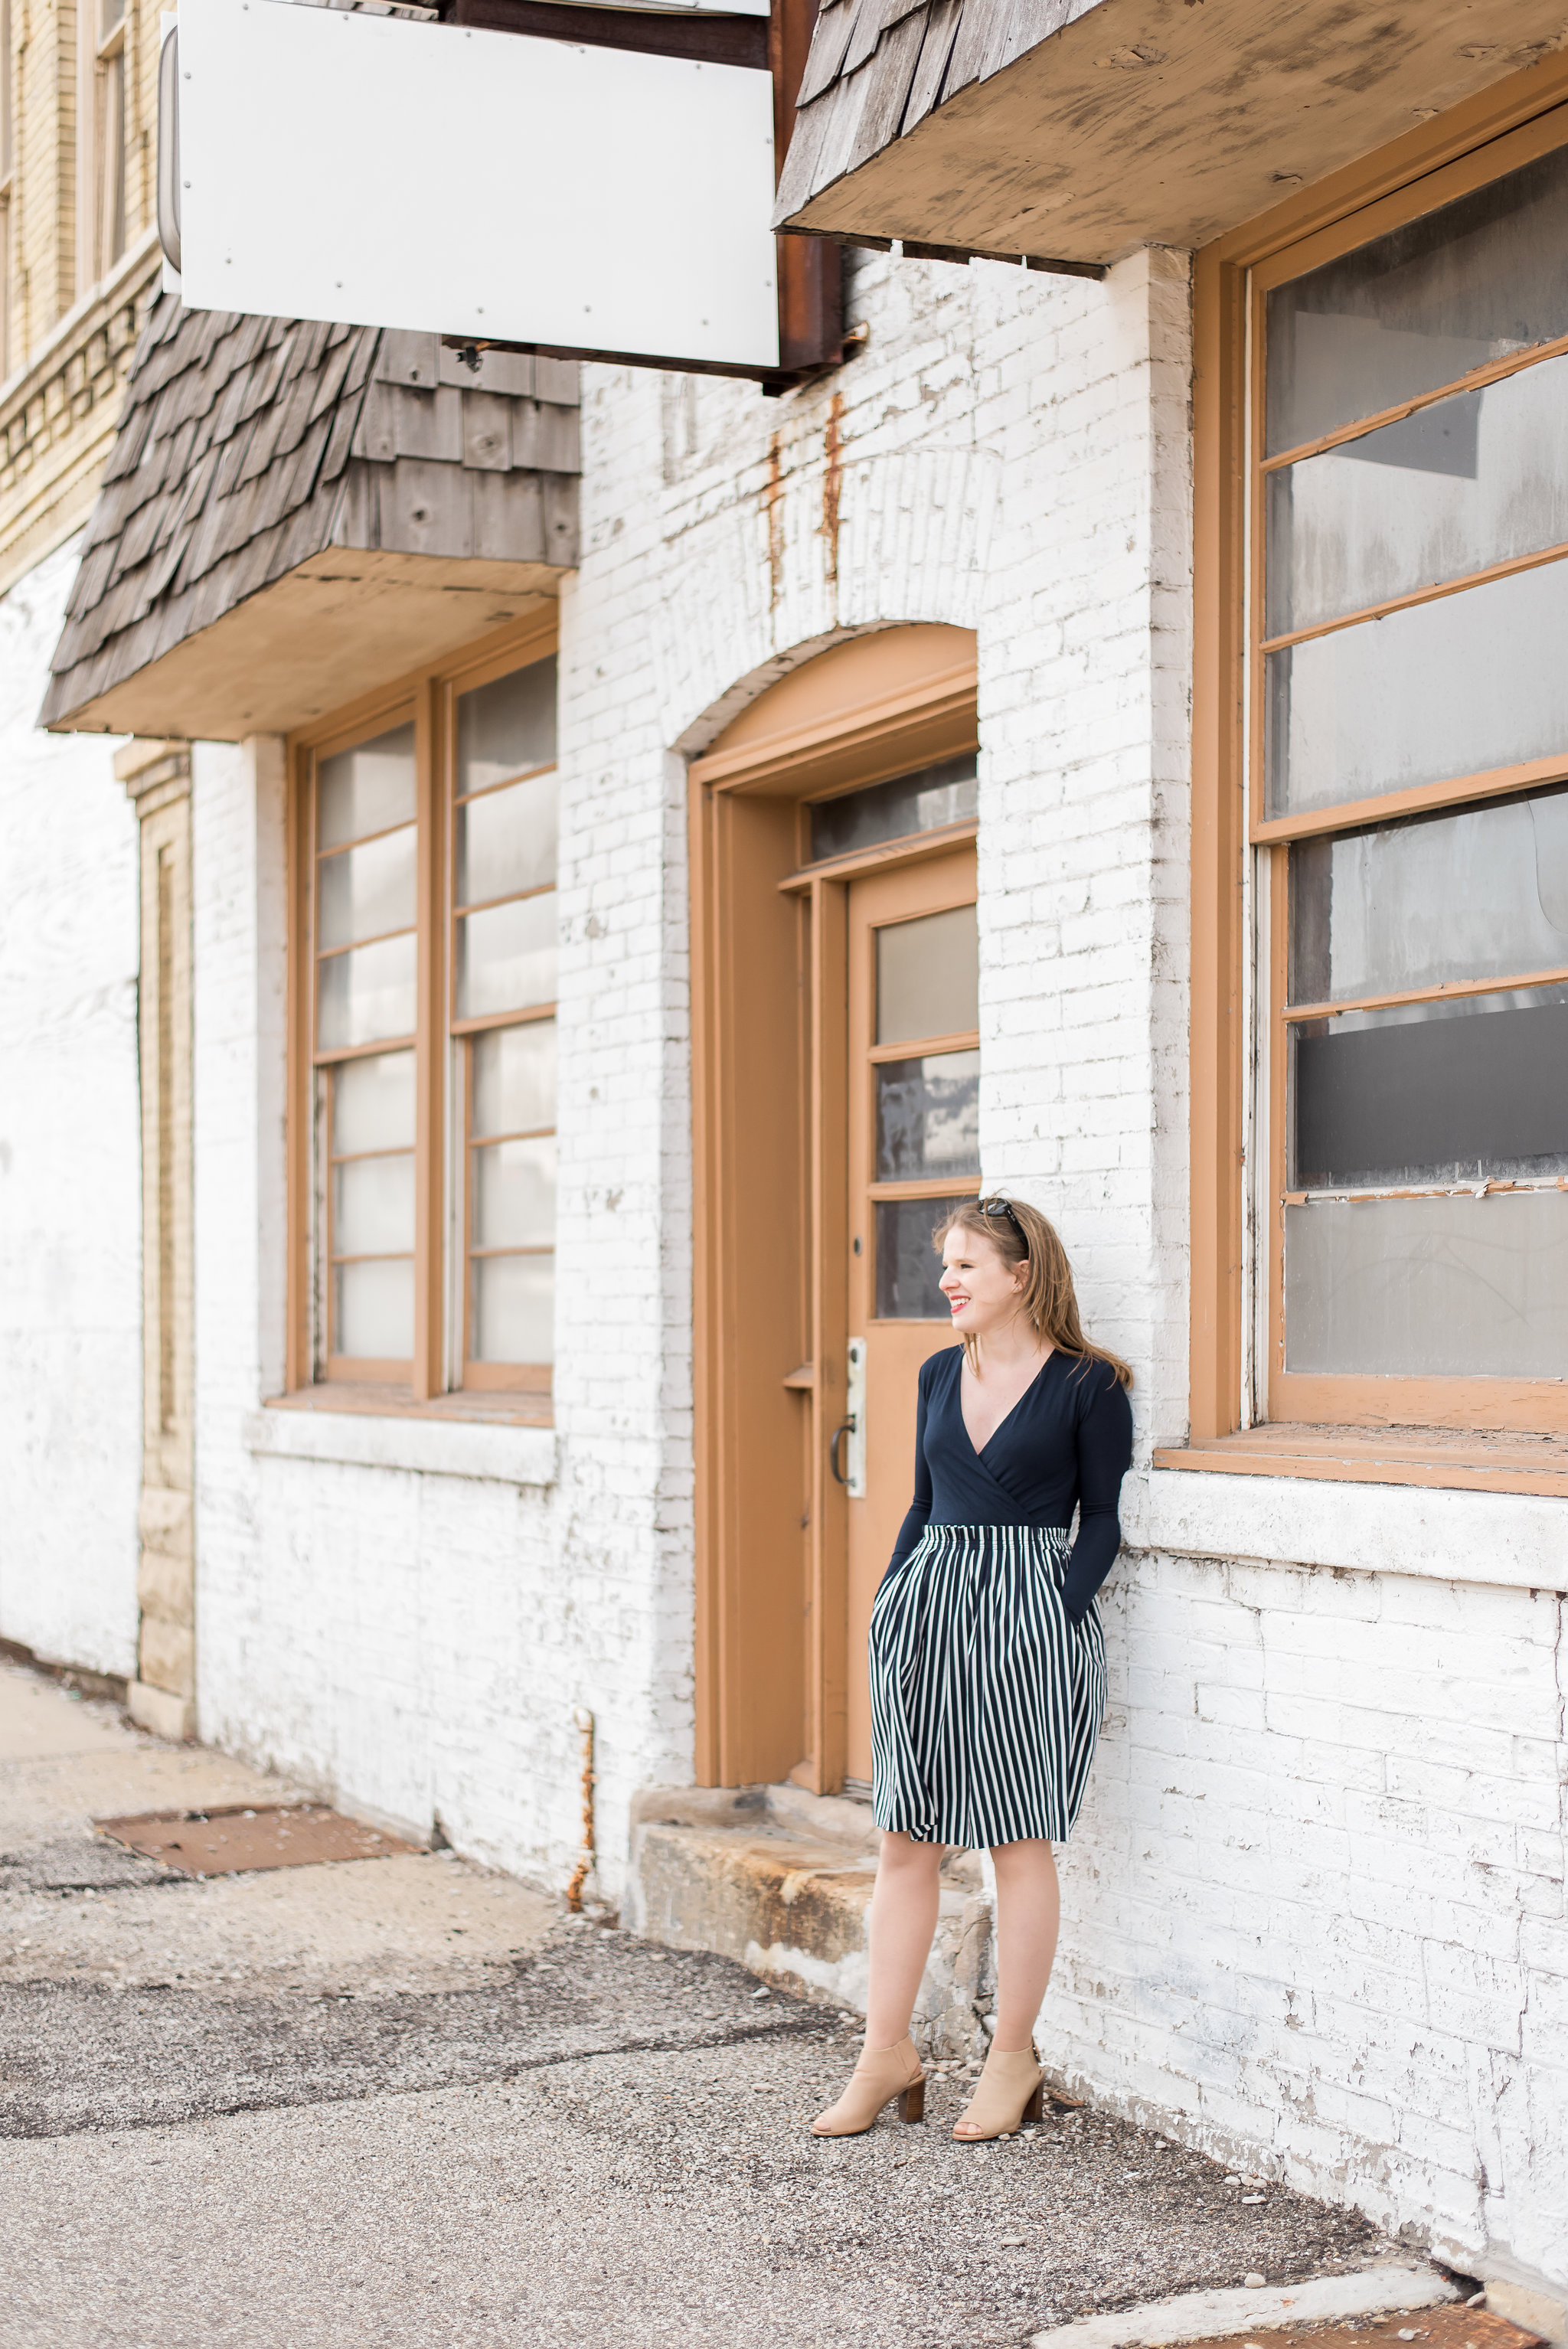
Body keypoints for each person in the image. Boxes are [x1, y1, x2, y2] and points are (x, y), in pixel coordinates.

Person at [811, 1195, 1133, 2143]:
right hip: (928, 1607)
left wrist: (1054, 1611)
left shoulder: (1089, 1384)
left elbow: (1103, 1518)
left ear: (1020, 1273)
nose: (945, 1280)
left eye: (964, 1265)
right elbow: (918, 1502)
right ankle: (884, 2054)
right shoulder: (934, 1372)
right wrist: (887, 1602)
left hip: (1029, 1614)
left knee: (1015, 1840)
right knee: (904, 1838)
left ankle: (1011, 2059)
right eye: (944, 1264)